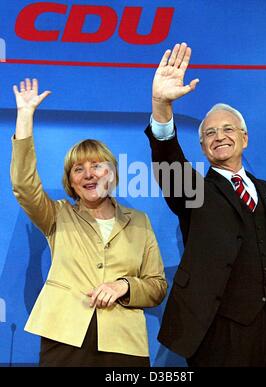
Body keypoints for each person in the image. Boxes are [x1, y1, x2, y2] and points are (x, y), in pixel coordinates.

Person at [145, 42, 266, 367]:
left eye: (228, 129)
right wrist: (161, 107)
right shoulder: (196, 190)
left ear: (244, 138)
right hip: (219, 332)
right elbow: (168, 163)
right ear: (202, 147)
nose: (219, 136)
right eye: (210, 133)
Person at [11, 78, 167, 367]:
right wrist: (24, 119)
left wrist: (125, 286)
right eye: (78, 169)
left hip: (124, 344)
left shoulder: (140, 222)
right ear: (71, 182)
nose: (88, 174)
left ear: (113, 172)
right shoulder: (56, 215)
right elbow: (24, 185)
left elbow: (157, 286)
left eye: (97, 165)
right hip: (65, 339)